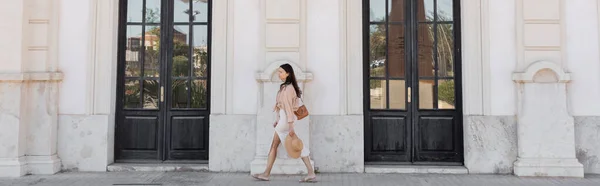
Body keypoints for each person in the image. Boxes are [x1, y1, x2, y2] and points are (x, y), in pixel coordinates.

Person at [251, 63, 316, 182]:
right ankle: (310, 172)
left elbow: (288, 109)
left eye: (281, 72)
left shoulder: (288, 89)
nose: (278, 74)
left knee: (276, 145)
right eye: (278, 71)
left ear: (288, 73)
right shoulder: (285, 87)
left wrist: (290, 126)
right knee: (296, 145)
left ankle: (266, 174)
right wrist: (278, 120)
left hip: (286, 120)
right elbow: (281, 107)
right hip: (284, 120)